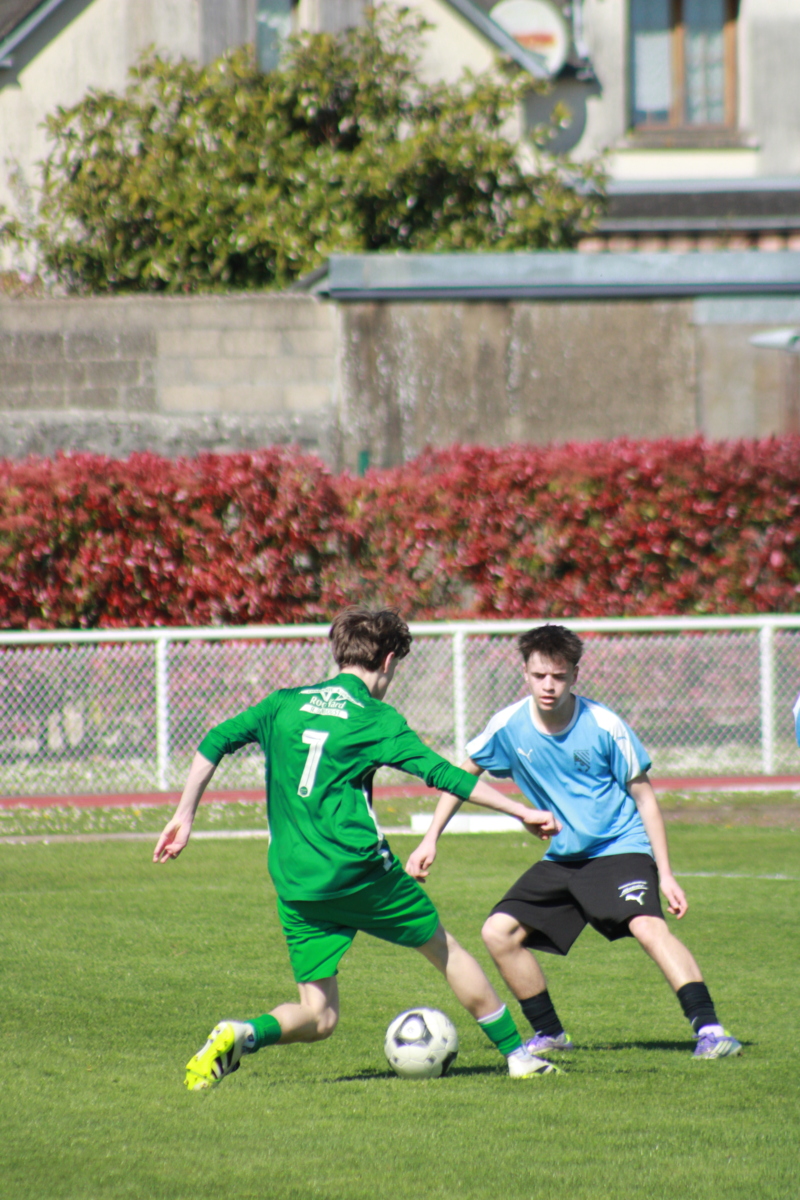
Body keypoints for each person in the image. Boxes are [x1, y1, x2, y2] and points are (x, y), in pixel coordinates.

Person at [154, 607, 562, 1089]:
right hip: (359, 872)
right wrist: (520, 811)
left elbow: (216, 740)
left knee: (319, 1015)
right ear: (388, 660)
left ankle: (243, 1033)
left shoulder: (283, 703)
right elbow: (442, 773)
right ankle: (518, 1055)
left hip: (296, 880)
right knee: (444, 949)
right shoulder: (375, 718)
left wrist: (184, 814)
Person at [407, 623, 742, 1062]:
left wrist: (666, 874)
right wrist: (430, 839)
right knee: (498, 932)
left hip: (618, 847)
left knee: (647, 926)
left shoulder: (604, 725)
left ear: (575, 675)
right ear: (525, 674)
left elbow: (645, 799)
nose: (549, 685)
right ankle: (550, 1034)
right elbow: (460, 776)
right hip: (564, 857)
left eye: (559, 676)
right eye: (539, 675)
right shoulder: (508, 725)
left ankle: (712, 1030)